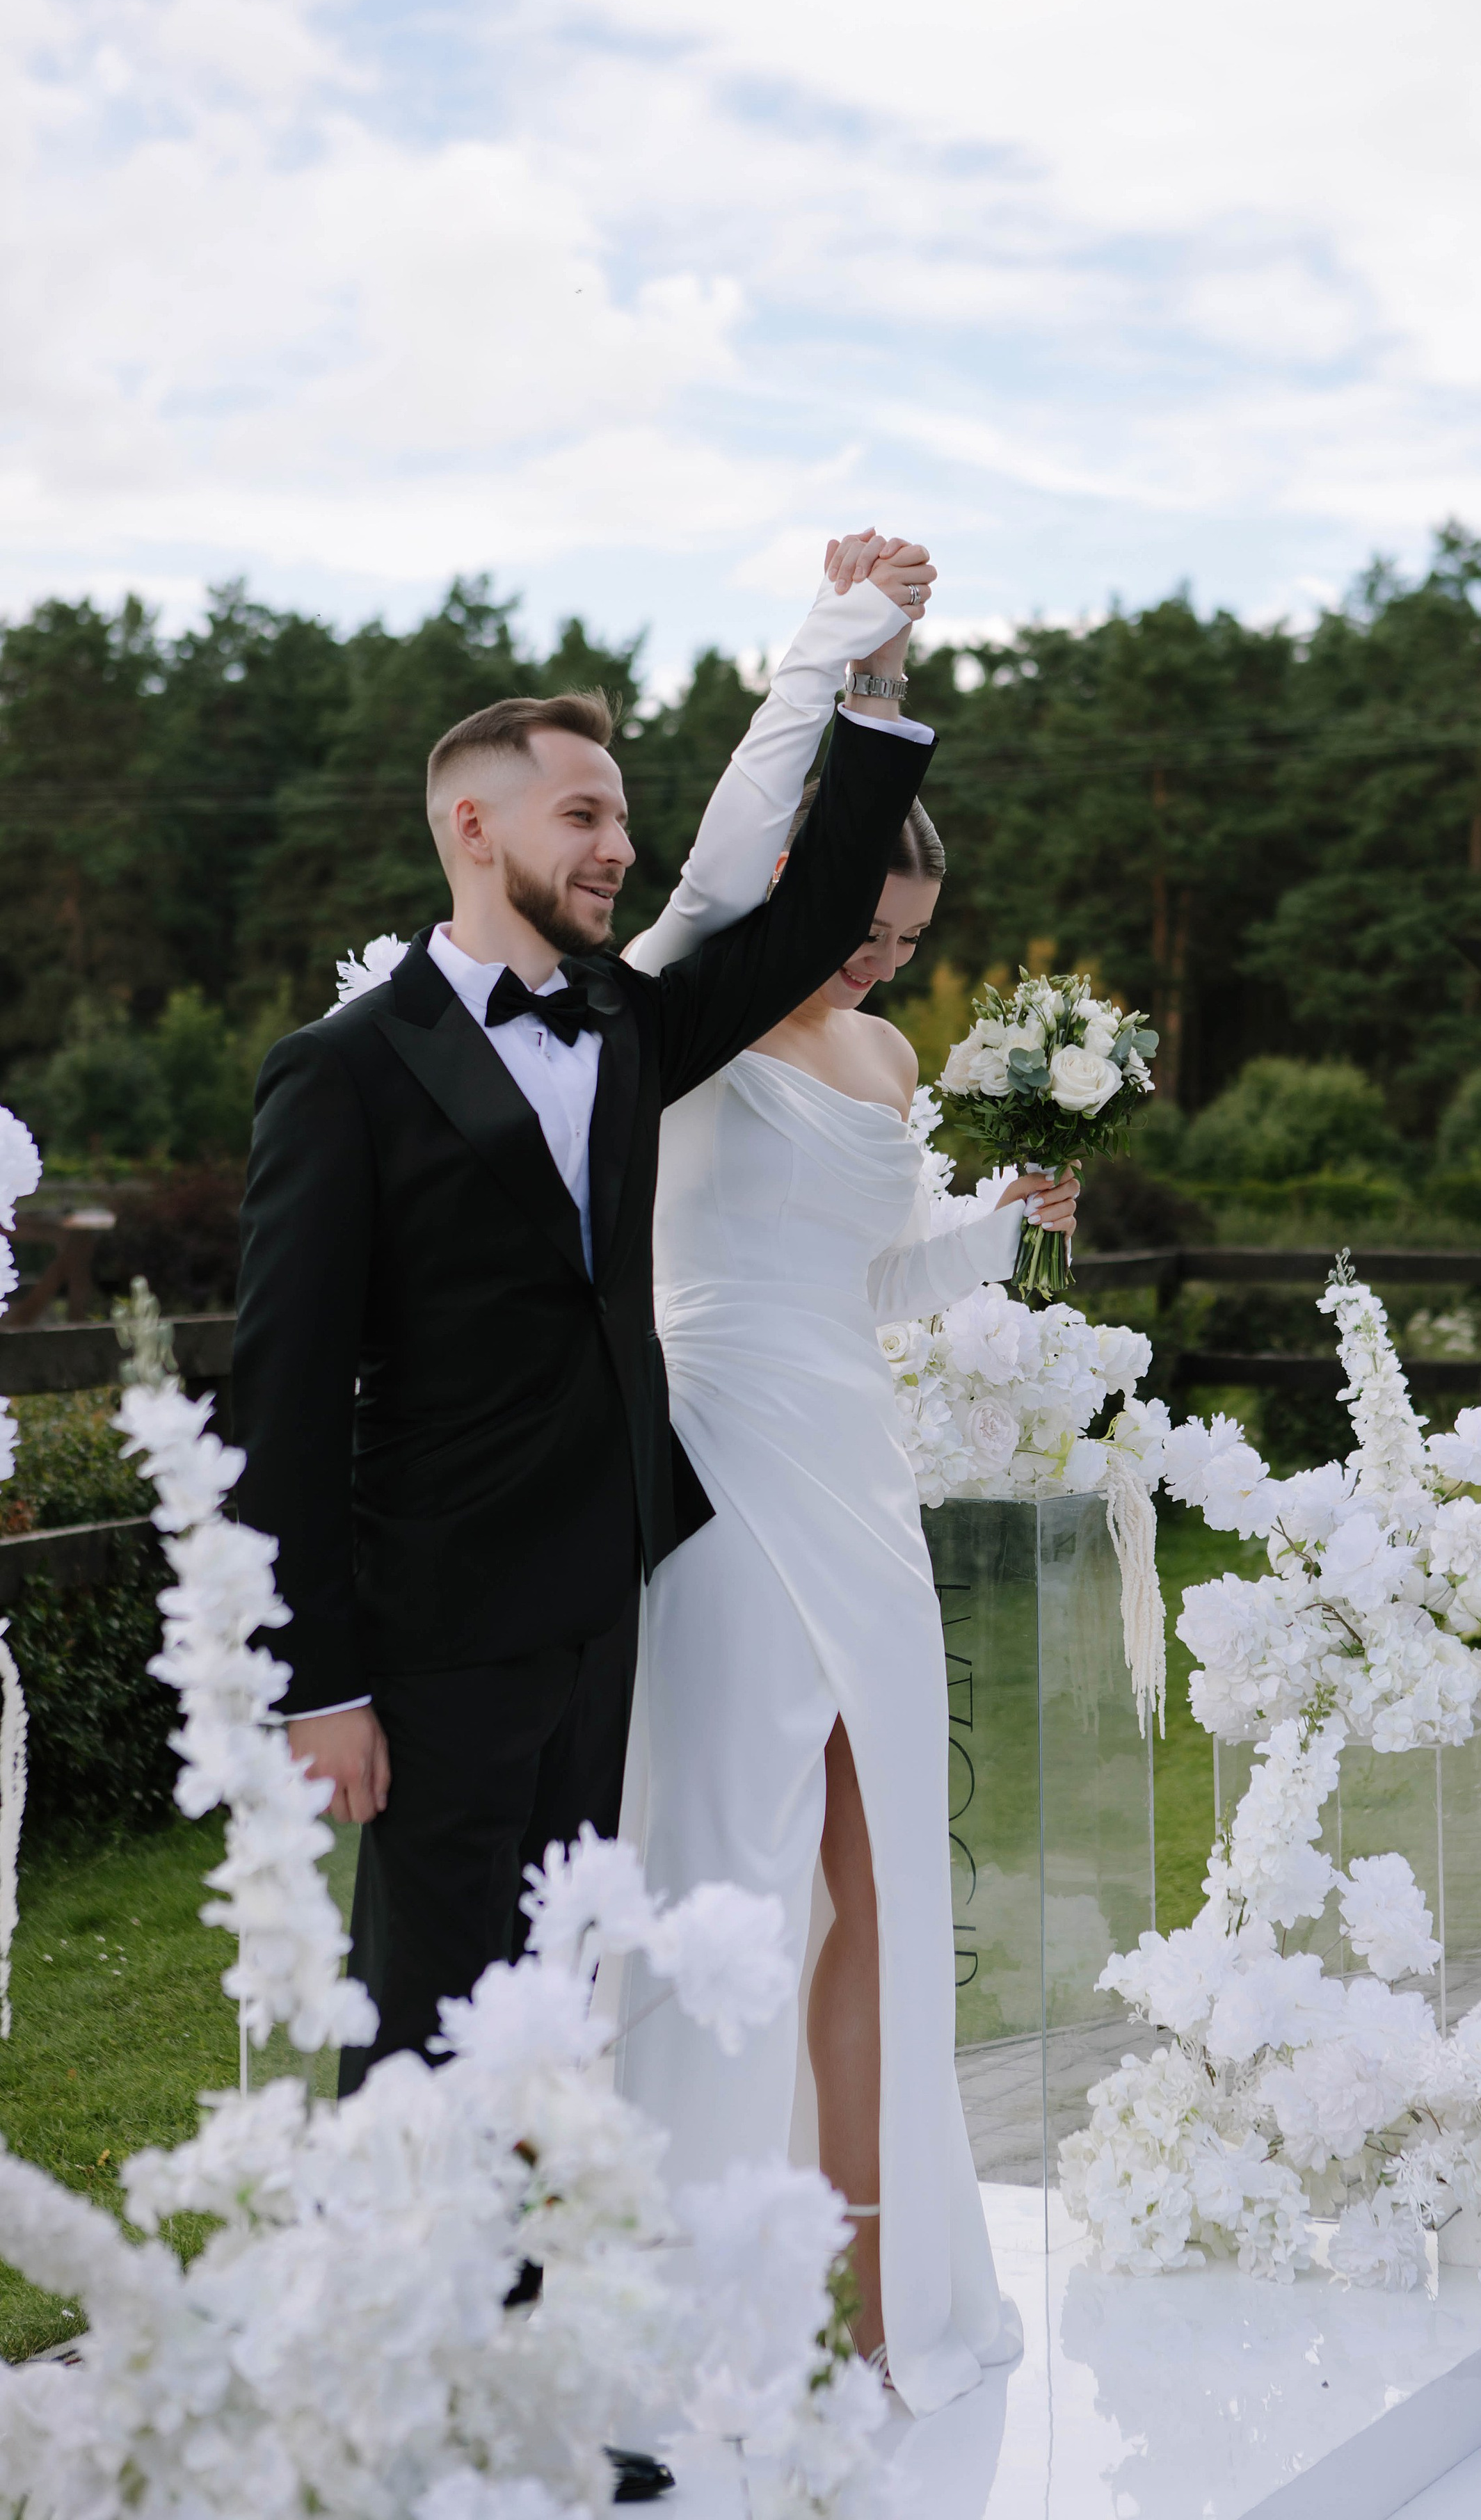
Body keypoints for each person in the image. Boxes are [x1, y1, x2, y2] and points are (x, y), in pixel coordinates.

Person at [230, 531, 940, 2114]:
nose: (619, 847)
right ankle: (408, 2339)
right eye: (586, 816)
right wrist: (317, 1683)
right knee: (424, 2013)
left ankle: (538, 2336)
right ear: (473, 829)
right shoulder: (339, 1072)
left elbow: (812, 892)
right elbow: (276, 1394)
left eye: (621, 816)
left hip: (612, 1601)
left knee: (563, 2004)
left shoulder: (627, 1022)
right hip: (431, 1625)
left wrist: (870, 673)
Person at [615, 552, 1079, 2414]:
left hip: (857, 1474)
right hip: (719, 1458)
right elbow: (735, 841)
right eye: (861, 925)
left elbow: (873, 1283)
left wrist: (999, 1228)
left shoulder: (890, 1057)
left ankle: (889, 2312)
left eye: (899, 939)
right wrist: (843, 653)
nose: (877, 962)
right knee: (726, 1864)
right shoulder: (684, 1007)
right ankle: (693, 2317)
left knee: (882, 1878)